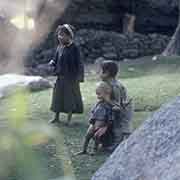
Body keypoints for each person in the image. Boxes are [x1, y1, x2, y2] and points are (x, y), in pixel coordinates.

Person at [49, 24, 84, 125]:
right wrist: (53, 62)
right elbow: (56, 58)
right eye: (59, 35)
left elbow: (79, 63)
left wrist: (79, 77)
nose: (60, 37)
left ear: (69, 36)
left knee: (70, 98)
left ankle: (69, 119)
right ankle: (56, 117)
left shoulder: (74, 48)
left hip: (71, 78)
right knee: (57, 97)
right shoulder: (60, 47)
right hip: (60, 77)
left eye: (62, 35)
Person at [100, 60, 133, 149]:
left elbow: (118, 103)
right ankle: (111, 141)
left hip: (123, 109)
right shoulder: (108, 84)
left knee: (119, 127)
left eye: (101, 71)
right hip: (117, 108)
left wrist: (108, 102)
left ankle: (118, 144)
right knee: (114, 125)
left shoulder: (115, 86)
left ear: (106, 73)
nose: (99, 74)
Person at [76, 81, 114, 155]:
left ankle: (95, 149)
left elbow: (110, 116)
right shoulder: (99, 103)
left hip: (102, 125)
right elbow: (94, 112)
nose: (98, 96)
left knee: (97, 136)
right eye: (97, 94)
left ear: (106, 93)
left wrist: (106, 125)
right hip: (94, 124)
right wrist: (92, 121)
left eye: (99, 94)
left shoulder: (109, 105)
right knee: (88, 135)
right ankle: (84, 150)